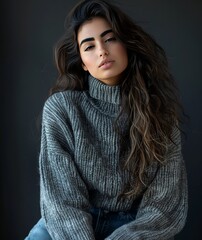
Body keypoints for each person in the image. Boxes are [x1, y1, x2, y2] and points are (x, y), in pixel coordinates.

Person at [25, 0, 188, 239]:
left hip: (134, 228)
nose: (102, 50)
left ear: (126, 43)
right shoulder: (62, 109)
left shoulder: (161, 114)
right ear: (82, 62)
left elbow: (164, 207)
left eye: (110, 39)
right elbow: (61, 200)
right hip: (67, 225)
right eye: (89, 46)